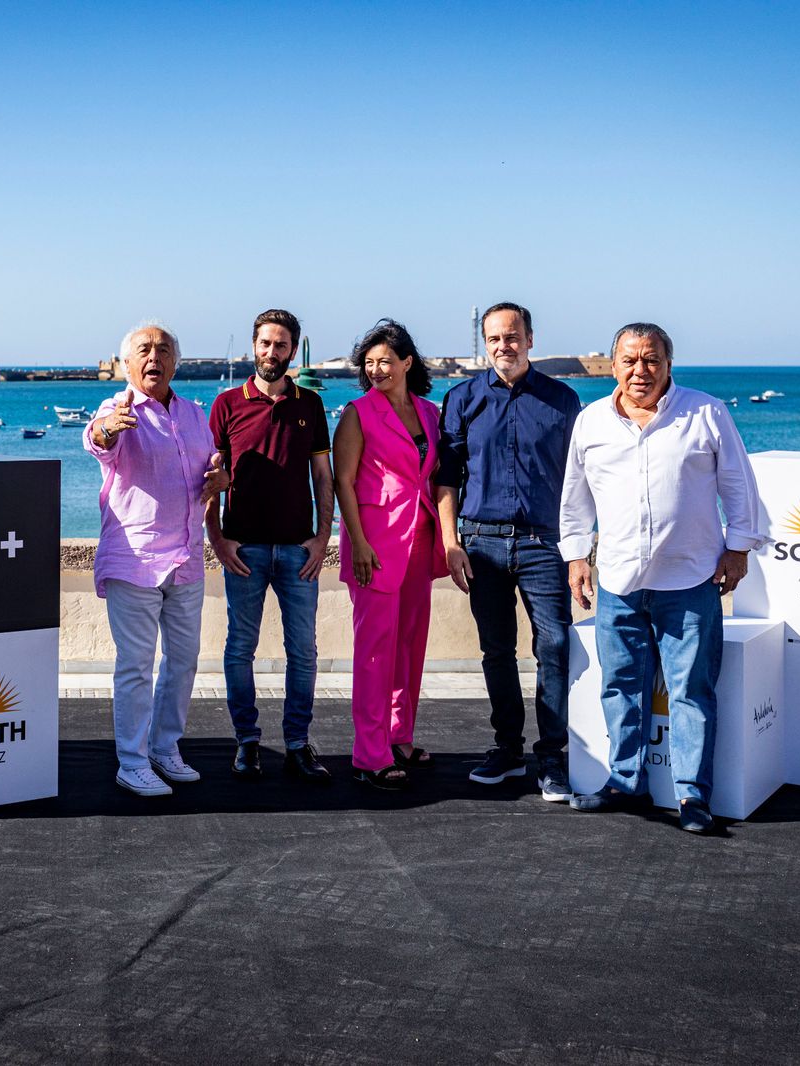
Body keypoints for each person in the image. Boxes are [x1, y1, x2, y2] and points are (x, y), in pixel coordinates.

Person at [558, 323, 767, 833]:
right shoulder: (591, 423)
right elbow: (575, 498)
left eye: (651, 360)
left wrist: (738, 548)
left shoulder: (706, 413)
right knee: (620, 686)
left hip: (690, 582)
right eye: (629, 360)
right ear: (612, 366)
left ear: (669, 364)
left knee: (692, 691)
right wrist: (577, 556)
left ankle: (693, 797)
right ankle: (624, 783)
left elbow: (738, 484)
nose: (640, 371)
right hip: (619, 585)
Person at [435, 302, 581, 800]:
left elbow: (581, 480)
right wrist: (451, 542)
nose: (504, 346)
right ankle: (507, 749)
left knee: (555, 649)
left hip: (545, 543)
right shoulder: (462, 399)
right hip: (482, 543)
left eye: (513, 336)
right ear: (486, 342)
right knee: (496, 651)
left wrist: (581, 546)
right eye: (495, 338)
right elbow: (446, 477)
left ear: (530, 339)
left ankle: (553, 758)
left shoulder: (563, 400)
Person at [86, 322, 230, 797]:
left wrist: (219, 479)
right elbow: (98, 439)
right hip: (135, 560)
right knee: (135, 665)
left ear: (175, 361)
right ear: (126, 363)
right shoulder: (118, 409)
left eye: (163, 350)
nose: (154, 357)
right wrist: (107, 430)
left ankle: (165, 748)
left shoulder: (193, 414)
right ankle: (131, 761)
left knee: (183, 661)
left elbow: (208, 471)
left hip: (186, 558)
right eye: (144, 350)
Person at [207, 309, 334, 784]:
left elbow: (323, 476)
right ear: (253, 346)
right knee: (240, 649)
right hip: (244, 552)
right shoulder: (226, 405)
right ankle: (247, 742)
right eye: (264, 343)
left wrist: (324, 537)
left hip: (299, 552)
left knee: (303, 651)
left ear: (293, 350)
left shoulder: (311, 405)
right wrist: (216, 538)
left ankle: (298, 744)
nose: (271, 353)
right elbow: (210, 480)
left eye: (281, 345)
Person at [333, 319, 447, 790]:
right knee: (375, 652)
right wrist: (357, 542)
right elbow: (343, 481)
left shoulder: (429, 412)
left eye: (385, 361)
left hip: (421, 537)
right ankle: (369, 752)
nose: (377, 369)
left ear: (407, 362)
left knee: (409, 646)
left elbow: (436, 474)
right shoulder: (358, 413)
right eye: (369, 363)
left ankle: (399, 735)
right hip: (374, 542)